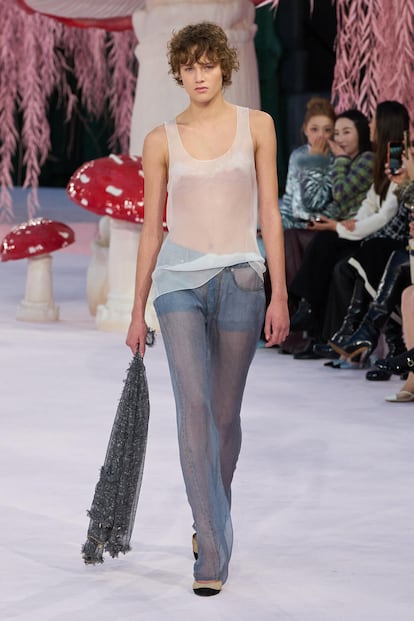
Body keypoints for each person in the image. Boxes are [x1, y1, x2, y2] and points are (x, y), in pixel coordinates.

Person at [125, 22, 289, 597]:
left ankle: (212, 518)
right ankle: (212, 546)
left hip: (242, 277)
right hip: (178, 283)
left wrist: (280, 293)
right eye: (189, 66)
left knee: (223, 415)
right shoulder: (160, 139)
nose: (199, 75)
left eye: (208, 64)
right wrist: (136, 307)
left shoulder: (257, 125)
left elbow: (270, 214)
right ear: (178, 72)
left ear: (225, 66)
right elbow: (152, 228)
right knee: (193, 407)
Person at [288, 101, 410, 351]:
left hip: (382, 235)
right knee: (313, 241)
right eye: (334, 132)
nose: (370, 124)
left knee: (340, 257)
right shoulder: (380, 157)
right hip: (364, 229)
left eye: (344, 131)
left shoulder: (374, 158)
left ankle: (336, 333)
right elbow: (366, 202)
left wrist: (340, 226)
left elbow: (350, 198)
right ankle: (313, 317)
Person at [278, 107, 373, 353]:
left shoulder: (358, 159)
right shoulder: (299, 155)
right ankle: (305, 319)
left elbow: (334, 197)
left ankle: (305, 312)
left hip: (350, 229)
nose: (334, 138)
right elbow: (293, 201)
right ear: (304, 130)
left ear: (361, 133)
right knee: (291, 238)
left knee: (321, 241)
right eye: (336, 133)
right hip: (326, 224)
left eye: (342, 132)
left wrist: (325, 161)